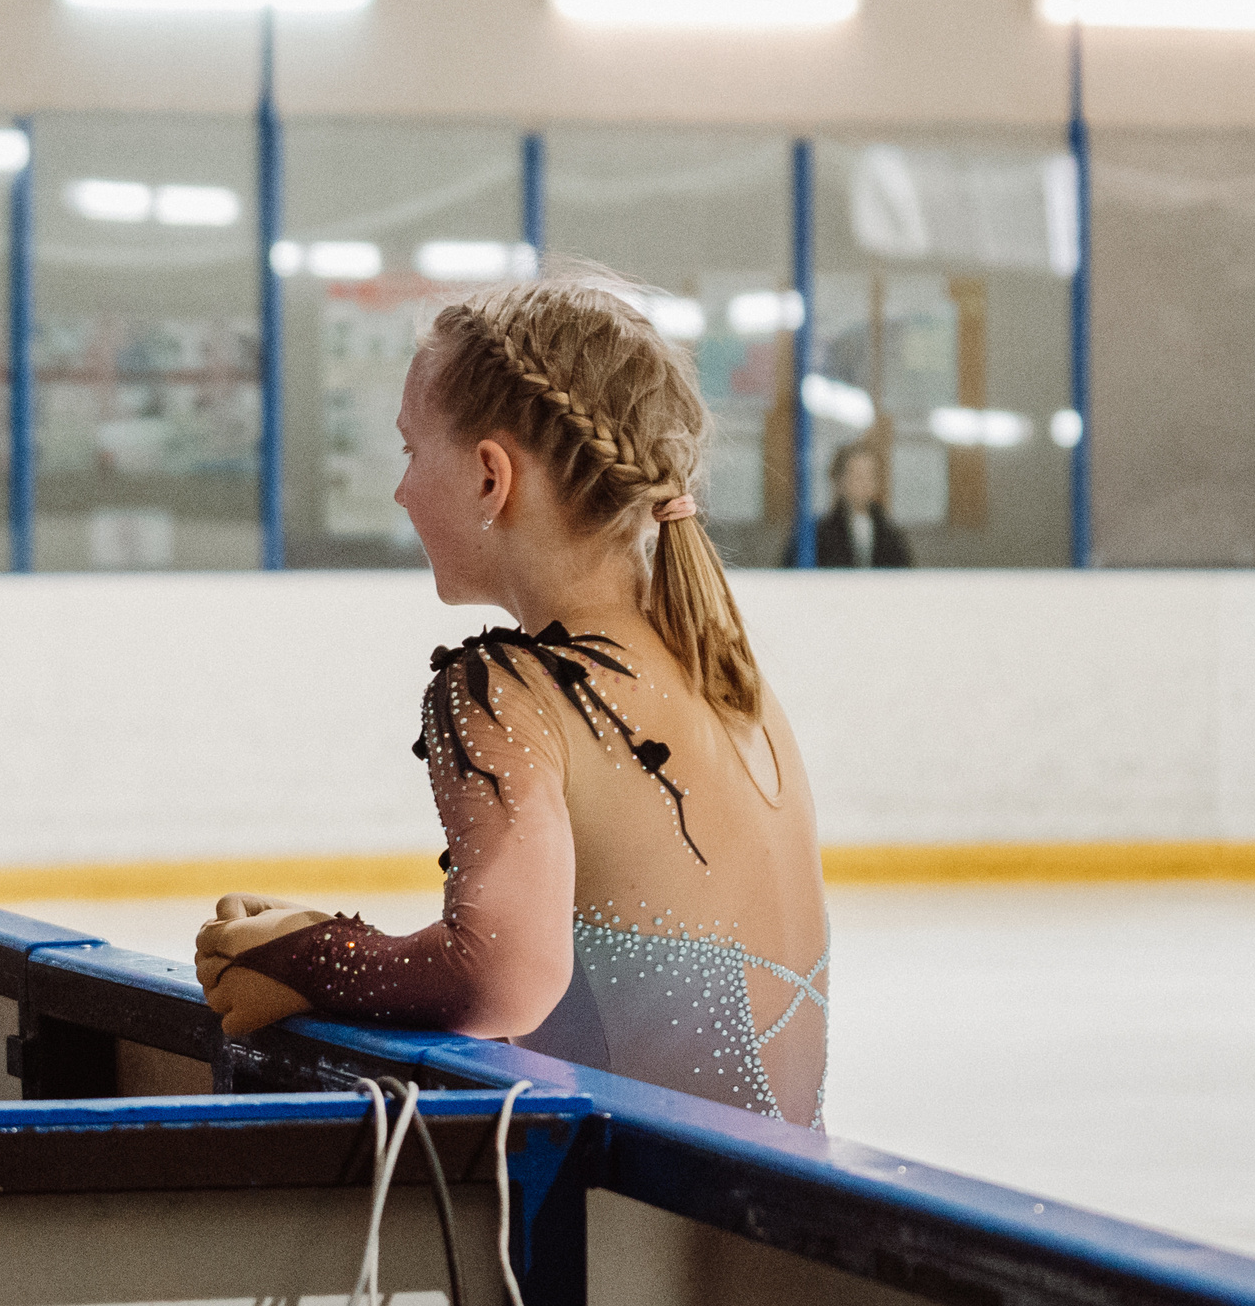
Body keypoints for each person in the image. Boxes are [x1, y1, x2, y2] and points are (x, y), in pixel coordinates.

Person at [194, 274, 830, 1125]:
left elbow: (503, 977)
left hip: (639, 1203)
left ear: (491, 476)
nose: (401, 491)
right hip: (783, 1196)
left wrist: (309, 958)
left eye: (411, 452)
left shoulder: (506, 690)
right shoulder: (723, 669)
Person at [803, 444, 912, 569]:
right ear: (839, 481)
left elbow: (904, 573)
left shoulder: (889, 532)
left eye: (870, 476)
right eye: (857, 477)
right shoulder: (818, 534)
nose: (865, 484)